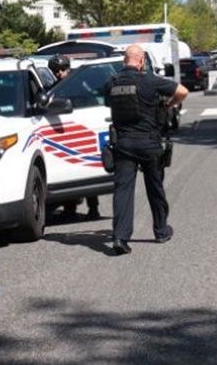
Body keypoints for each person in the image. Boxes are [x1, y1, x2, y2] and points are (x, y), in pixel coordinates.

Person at [103, 45, 188, 256]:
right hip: (149, 143)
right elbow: (182, 91)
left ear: (125, 61)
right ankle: (161, 231)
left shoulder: (112, 82)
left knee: (123, 191)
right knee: (155, 188)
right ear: (141, 61)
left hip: (123, 144)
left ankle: (120, 238)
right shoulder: (150, 80)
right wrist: (168, 105)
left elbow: (107, 102)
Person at [45, 54, 100, 219]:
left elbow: (91, 106)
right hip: (61, 134)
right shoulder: (51, 90)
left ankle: (93, 207)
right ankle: (69, 209)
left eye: (63, 69)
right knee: (67, 168)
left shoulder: (81, 88)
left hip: (81, 132)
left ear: (69, 69)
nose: (60, 73)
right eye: (56, 70)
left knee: (87, 168)